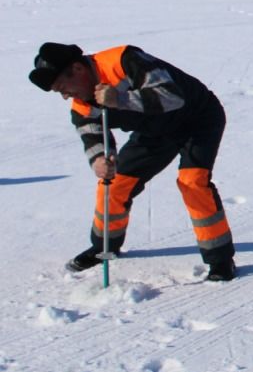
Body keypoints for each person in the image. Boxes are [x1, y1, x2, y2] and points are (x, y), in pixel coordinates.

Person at [28, 42, 237, 281]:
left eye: (63, 87)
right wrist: (99, 160)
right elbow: (92, 135)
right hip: (155, 133)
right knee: (115, 183)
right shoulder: (82, 104)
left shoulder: (124, 61)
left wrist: (120, 99)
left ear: (77, 69)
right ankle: (104, 247)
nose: (66, 96)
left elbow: (172, 96)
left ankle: (220, 260)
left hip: (198, 119)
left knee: (192, 182)